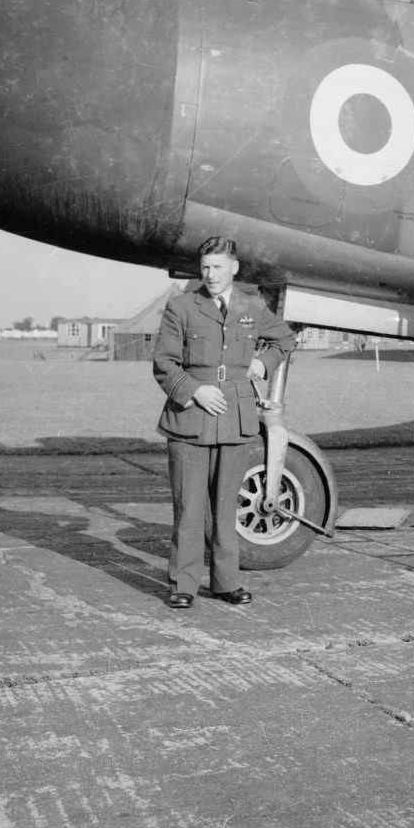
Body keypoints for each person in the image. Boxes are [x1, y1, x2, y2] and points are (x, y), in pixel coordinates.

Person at [153, 236, 296, 609]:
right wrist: (195, 391)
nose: (210, 274)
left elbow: (284, 338)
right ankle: (183, 585)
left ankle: (225, 583)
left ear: (233, 268)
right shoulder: (181, 307)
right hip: (190, 420)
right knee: (189, 507)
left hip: (236, 417)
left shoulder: (252, 306)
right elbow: (164, 364)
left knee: (225, 507)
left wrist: (263, 364)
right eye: (204, 267)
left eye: (217, 267)